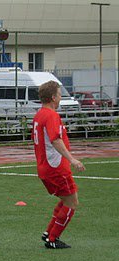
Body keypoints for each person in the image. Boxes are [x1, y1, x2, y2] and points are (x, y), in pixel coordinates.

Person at [32, 80, 85, 249]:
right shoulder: (51, 115)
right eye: (60, 94)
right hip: (55, 167)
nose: (61, 97)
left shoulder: (39, 115)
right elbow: (55, 139)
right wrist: (72, 159)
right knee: (72, 202)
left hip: (46, 166)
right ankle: (53, 239)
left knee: (65, 199)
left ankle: (49, 233)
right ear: (53, 97)